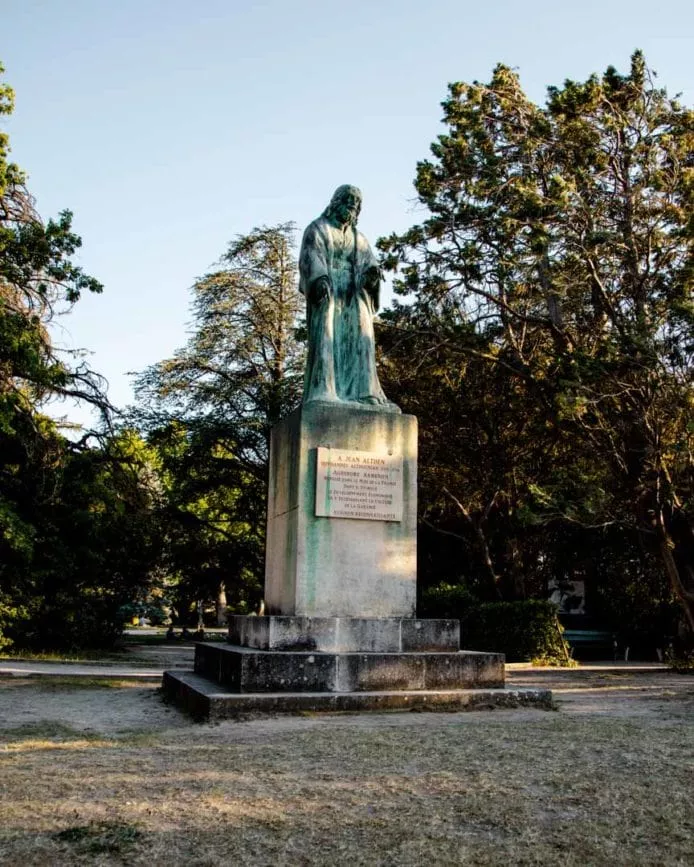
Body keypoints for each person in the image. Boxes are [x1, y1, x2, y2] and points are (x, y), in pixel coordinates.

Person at [299, 185, 399, 411]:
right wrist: (320, 280)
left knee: (362, 337)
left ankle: (366, 392)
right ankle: (325, 391)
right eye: (348, 200)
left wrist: (372, 276)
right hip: (328, 292)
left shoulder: (359, 239)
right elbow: (310, 258)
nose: (352, 205)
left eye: (356, 203)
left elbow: (369, 265)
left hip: (354, 295)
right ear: (337, 202)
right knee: (328, 337)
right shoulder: (317, 229)